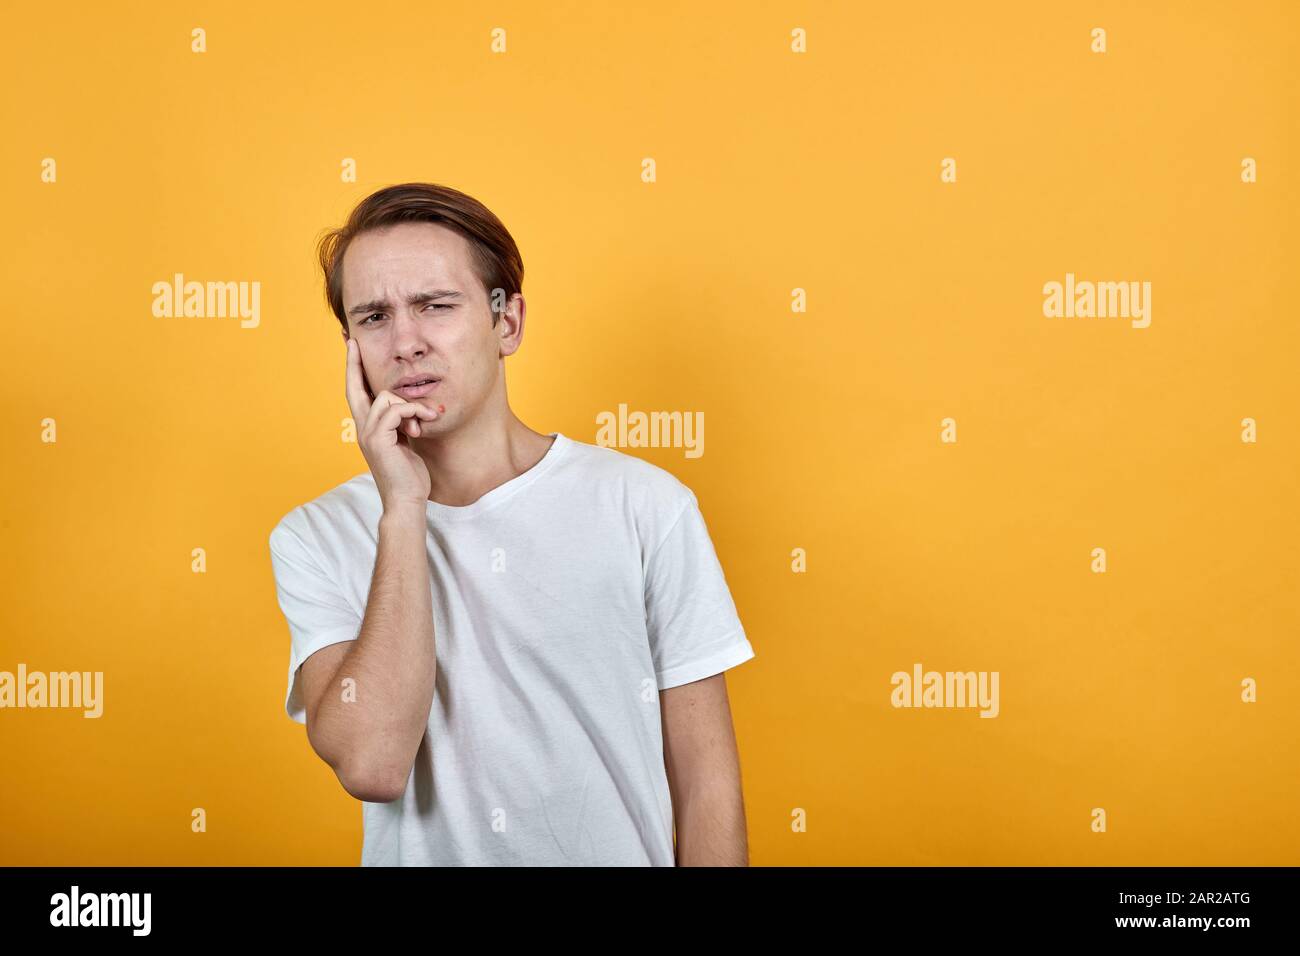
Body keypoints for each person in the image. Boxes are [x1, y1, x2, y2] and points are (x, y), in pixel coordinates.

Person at [268, 182, 756, 866]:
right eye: (374, 317)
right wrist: (403, 511)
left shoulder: (646, 506)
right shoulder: (316, 536)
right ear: (351, 348)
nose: (406, 342)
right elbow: (373, 764)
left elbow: (707, 787)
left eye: (435, 306)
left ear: (508, 323)